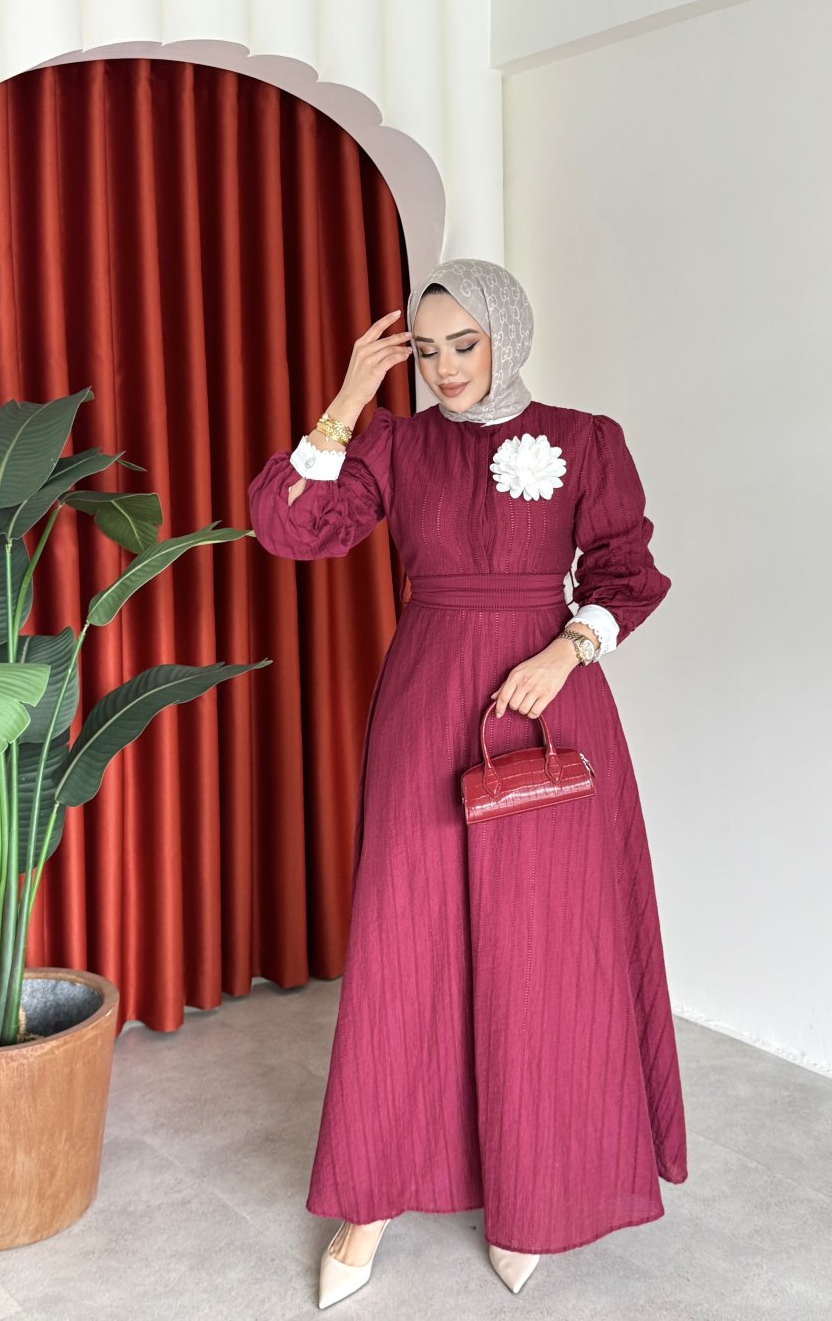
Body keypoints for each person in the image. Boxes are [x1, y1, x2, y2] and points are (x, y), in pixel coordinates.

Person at [247, 257, 688, 1309]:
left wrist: (567, 649)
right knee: (408, 940)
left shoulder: (586, 439)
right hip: (426, 702)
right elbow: (289, 527)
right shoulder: (395, 445)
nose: (446, 368)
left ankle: (533, 1190)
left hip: (548, 706)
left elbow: (628, 571)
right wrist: (349, 397)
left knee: (543, 948)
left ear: (506, 337)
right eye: (427, 349)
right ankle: (370, 1198)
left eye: (465, 344)